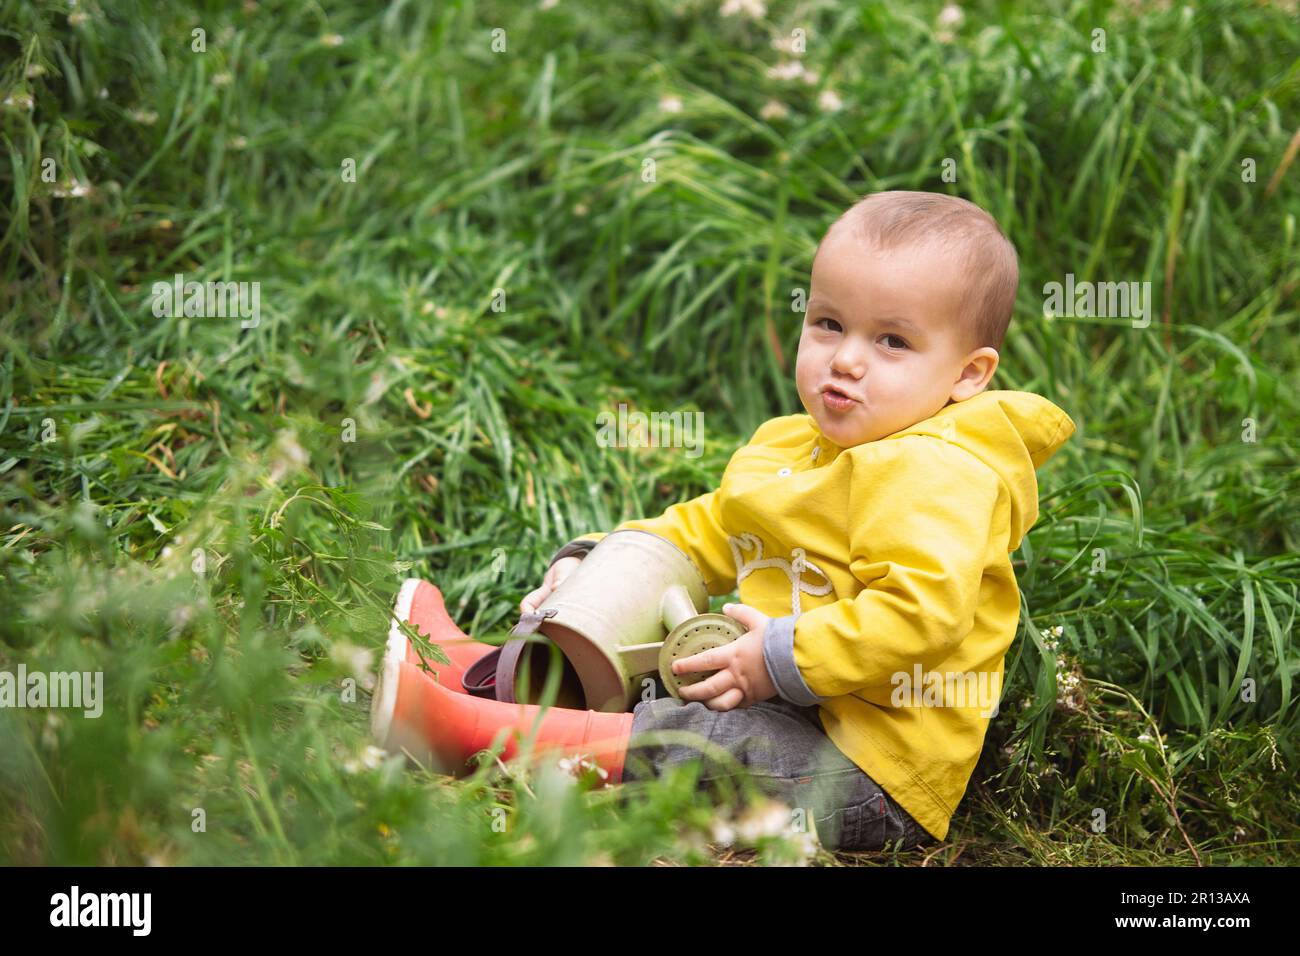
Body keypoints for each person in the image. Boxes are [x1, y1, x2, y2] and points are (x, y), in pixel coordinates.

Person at [371, 190, 1076, 853]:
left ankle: (467, 733)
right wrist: (596, 561)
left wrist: (778, 658)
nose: (847, 360)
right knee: (654, 670)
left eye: (892, 341)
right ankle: (476, 672)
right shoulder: (793, 446)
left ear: (968, 374)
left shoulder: (938, 473)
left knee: (702, 741)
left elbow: (923, 613)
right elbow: (703, 532)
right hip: (774, 698)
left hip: (866, 767)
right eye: (829, 323)